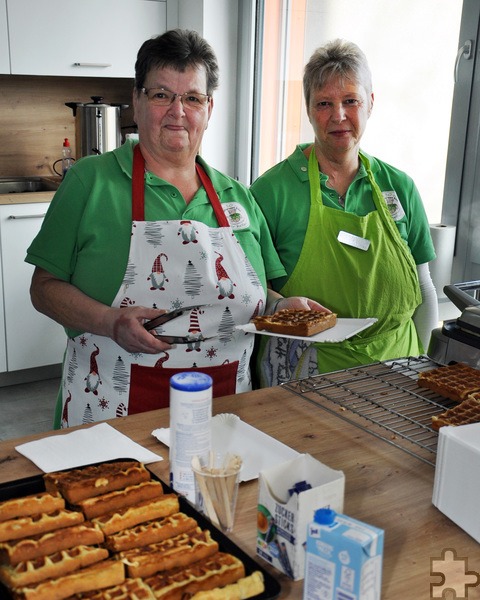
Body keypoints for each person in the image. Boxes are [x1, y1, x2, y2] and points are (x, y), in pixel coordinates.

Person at [26, 29, 315, 429]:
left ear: (209, 109)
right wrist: (110, 321)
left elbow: (257, 292)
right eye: (162, 94)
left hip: (226, 409)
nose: (178, 111)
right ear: (137, 100)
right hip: (112, 407)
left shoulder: (238, 197)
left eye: (192, 98)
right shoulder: (91, 182)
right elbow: (44, 288)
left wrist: (282, 307)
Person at [250, 39, 438, 386]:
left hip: (397, 368)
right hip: (305, 372)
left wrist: (421, 367)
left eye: (350, 100)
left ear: (370, 102)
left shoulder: (400, 186)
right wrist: (281, 305)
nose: (338, 116)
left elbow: (424, 290)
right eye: (324, 103)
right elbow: (252, 290)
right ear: (308, 110)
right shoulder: (271, 192)